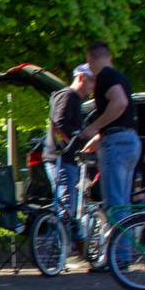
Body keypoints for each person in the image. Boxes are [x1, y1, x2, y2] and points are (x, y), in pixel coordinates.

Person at [74, 40, 140, 235]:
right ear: (109, 56)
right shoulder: (120, 77)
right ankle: (122, 254)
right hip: (130, 141)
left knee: (114, 202)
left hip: (116, 142)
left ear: (89, 59)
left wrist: (94, 127)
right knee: (123, 202)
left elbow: (119, 102)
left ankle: (117, 257)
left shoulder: (105, 76)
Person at [44, 64, 94, 218]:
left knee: (69, 205)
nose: (94, 86)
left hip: (67, 159)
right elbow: (59, 123)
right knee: (66, 208)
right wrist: (76, 136)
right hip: (61, 159)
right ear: (81, 77)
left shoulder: (74, 99)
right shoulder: (68, 95)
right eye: (92, 81)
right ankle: (60, 241)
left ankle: (65, 239)